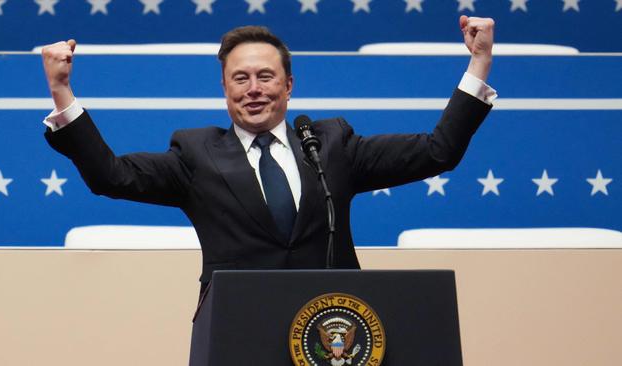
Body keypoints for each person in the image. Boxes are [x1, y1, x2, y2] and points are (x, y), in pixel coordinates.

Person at [41, 16, 496, 294]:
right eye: (240, 79)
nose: (254, 89)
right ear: (224, 90)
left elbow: (439, 151)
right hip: (237, 328)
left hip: (333, 327)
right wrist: (62, 90)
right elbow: (112, 176)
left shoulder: (331, 144)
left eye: (265, 76)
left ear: (289, 85)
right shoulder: (195, 154)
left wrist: (478, 62)